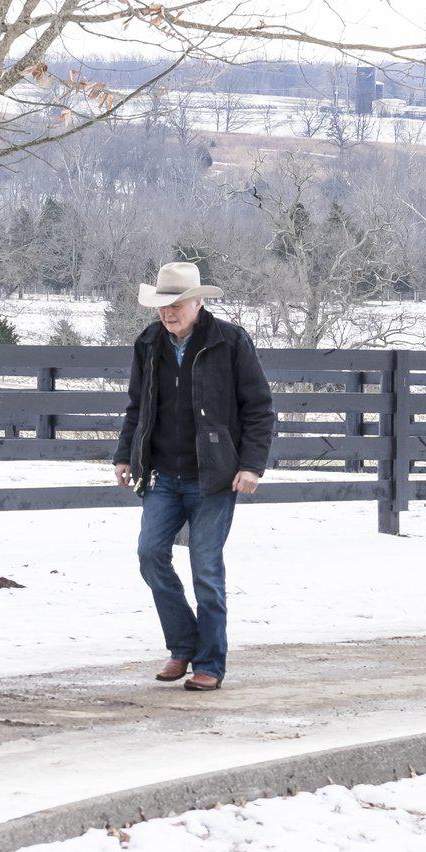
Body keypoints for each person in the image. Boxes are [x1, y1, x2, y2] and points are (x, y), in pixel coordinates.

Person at [113, 262, 276, 691]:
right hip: (162, 474)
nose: (169, 312)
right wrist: (124, 455)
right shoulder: (148, 343)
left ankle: (209, 663)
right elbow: (137, 408)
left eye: (177, 304)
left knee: (206, 569)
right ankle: (183, 644)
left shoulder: (230, 341)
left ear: (198, 302)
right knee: (150, 555)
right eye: (163, 305)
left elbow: (259, 409)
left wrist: (252, 465)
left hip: (215, 477)